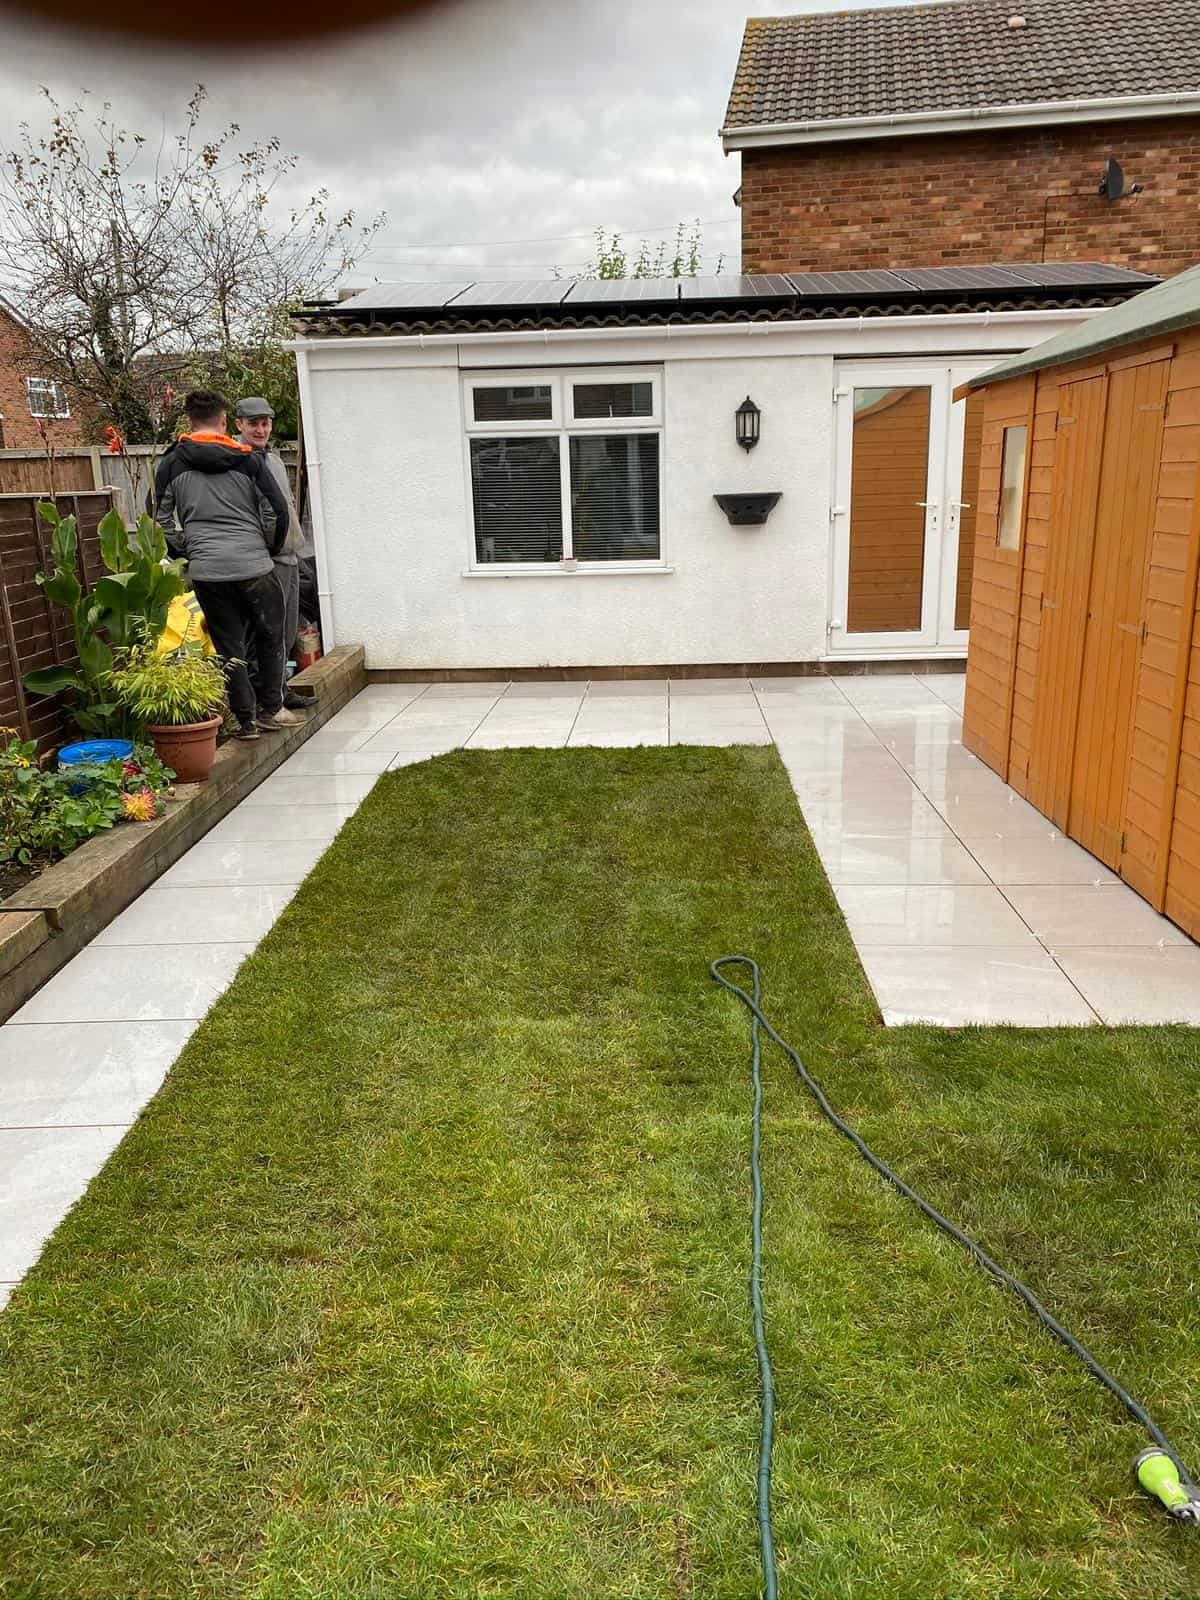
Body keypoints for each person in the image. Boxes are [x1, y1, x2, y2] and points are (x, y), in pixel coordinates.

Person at [153, 388, 300, 741]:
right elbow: (276, 511)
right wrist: (265, 547)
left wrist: (187, 550)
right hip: (255, 566)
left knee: (229, 646)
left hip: (208, 572)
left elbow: (158, 518)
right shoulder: (248, 460)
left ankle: (246, 722)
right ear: (224, 421)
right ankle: (271, 709)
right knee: (270, 636)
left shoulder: (171, 463)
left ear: (190, 421)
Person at [233, 396, 307, 710]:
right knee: (265, 632)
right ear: (239, 424)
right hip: (265, 560)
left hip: (289, 556)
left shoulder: (273, 461)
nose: (261, 430)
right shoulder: (237, 462)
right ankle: (265, 700)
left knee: (287, 630)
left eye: (265, 423)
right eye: (254, 424)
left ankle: (280, 689)